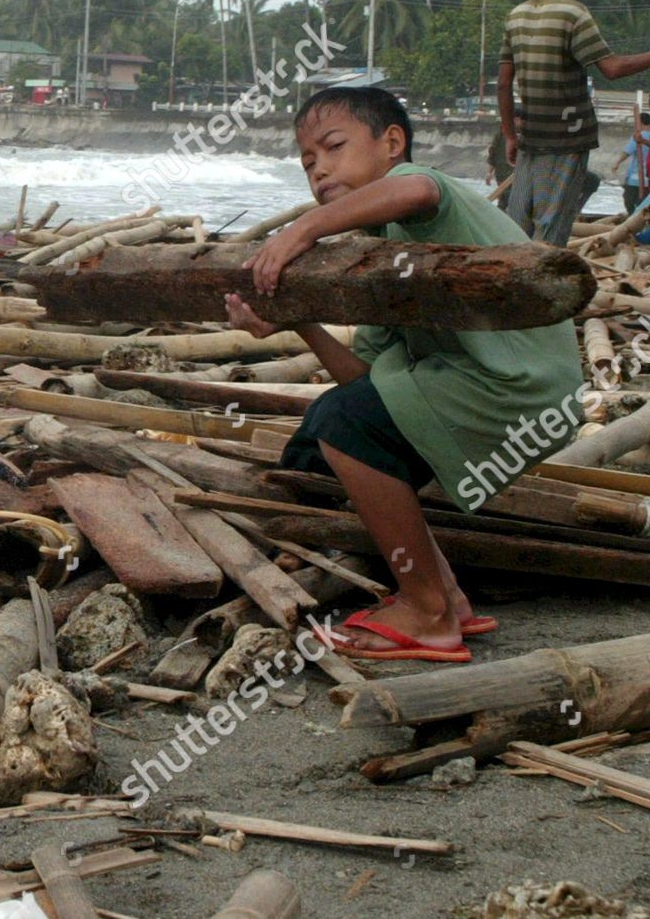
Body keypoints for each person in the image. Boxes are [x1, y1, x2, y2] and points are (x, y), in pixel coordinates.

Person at [229, 87, 583, 661]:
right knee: (330, 419)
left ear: (392, 143)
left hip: (521, 388)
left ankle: (427, 612)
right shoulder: (377, 251)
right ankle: (446, 595)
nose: (318, 167)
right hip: (481, 391)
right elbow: (364, 378)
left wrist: (303, 229)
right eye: (307, 161)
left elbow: (418, 188)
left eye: (333, 146)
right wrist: (299, 322)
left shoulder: (421, 193)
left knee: (349, 426)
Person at [498, 0, 650, 246]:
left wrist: (510, 135)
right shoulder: (574, 14)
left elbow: (503, 83)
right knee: (552, 226)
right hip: (567, 138)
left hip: (531, 136)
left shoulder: (516, 16)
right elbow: (612, 69)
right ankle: (540, 284)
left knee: (517, 222)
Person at [612, 112, 650, 213]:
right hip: (649, 179)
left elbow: (627, 152)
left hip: (635, 178)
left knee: (629, 201)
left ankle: (632, 219)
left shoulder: (639, 136)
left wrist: (617, 163)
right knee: (644, 203)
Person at [485, 106, 523, 211]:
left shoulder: (524, 134)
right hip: (503, 174)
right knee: (504, 201)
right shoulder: (501, 134)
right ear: (516, 119)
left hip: (517, 175)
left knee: (514, 202)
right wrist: (489, 173)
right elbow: (493, 153)